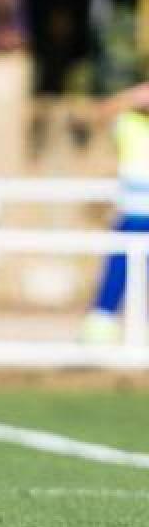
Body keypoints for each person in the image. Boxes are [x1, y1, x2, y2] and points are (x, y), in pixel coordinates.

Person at [83, 81, 149, 343]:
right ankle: (100, 329)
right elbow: (100, 113)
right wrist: (135, 95)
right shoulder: (128, 124)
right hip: (132, 215)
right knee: (116, 273)